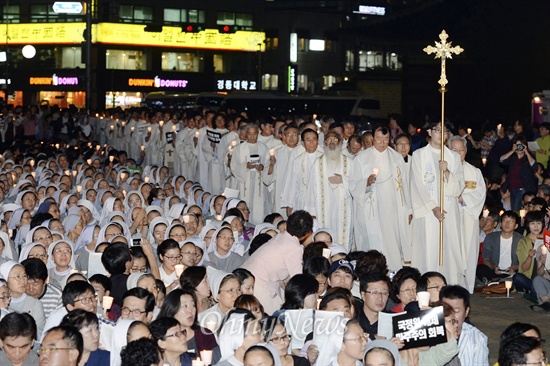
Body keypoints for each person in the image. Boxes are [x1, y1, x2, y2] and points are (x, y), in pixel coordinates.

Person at [410, 121, 466, 286]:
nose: (441, 133)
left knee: (448, 247)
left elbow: (458, 187)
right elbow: (417, 184)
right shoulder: (419, 155)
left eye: (445, 130)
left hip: (448, 209)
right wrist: (433, 207)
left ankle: (449, 284)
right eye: (437, 130)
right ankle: (427, 285)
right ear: (429, 132)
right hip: (428, 210)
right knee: (429, 248)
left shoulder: (453, 157)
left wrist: (447, 171)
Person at [350, 124, 412, 269]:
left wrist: (408, 209)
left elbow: (405, 185)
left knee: (392, 241)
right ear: (372, 138)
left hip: (392, 208)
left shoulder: (396, 157)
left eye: (385, 139)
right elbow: (353, 184)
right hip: (371, 208)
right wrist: (366, 182)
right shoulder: (362, 158)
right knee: (372, 241)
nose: (382, 143)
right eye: (379, 139)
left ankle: (393, 271)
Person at [242, 210, 313, 314]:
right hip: (259, 283)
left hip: (246, 274)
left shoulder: (282, 236)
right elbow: (298, 279)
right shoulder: (294, 247)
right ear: (307, 234)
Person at [450, 136, 487, 293]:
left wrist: (462, 198)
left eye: (461, 149)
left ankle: (466, 287)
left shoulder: (474, 171)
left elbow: (480, 194)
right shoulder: (443, 171)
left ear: (466, 150)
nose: (458, 153)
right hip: (449, 219)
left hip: (467, 218)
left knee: (467, 251)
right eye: (454, 150)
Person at [305, 131, 353, 248]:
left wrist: (343, 180)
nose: (332, 143)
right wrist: (311, 213)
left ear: (340, 143)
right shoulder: (317, 163)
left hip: (343, 207)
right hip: (323, 209)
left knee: (343, 237)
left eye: (335, 140)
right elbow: (311, 189)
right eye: (329, 140)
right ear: (325, 142)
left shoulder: (350, 162)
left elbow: (357, 185)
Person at [230, 123, 269, 225]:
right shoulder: (239, 148)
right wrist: (246, 166)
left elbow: (269, 164)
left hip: (258, 181)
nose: (252, 136)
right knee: (244, 202)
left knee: (258, 207)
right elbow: (234, 166)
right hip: (245, 181)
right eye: (249, 134)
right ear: (246, 134)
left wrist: (263, 167)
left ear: (258, 133)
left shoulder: (264, 148)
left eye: (254, 133)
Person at [440, 285, 489, 365]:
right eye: (447, 311)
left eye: (456, 311)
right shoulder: (430, 335)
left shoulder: (478, 339)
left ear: (466, 312)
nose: (451, 316)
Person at [281, 128, 323, 217]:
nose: (311, 142)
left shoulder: (324, 158)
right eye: (308, 140)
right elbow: (291, 182)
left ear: (318, 141)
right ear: (303, 143)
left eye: (314, 139)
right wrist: (289, 204)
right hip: (302, 199)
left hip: (320, 199)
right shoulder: (297, 160)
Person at [476, 210, 521, 283]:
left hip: (512, 272)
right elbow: (486, 258)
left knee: (519, 276)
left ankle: (495, 281)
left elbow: (523, 261)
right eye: (505, 220)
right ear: (500, 224)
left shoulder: (520, 239)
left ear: (516, 226)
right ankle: (497, 281)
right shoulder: (491, 237)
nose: (507, 223)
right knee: (480, 268)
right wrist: (494, 267)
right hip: (495, 271)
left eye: (511, 221)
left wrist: (514, 267)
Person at [500, 135, 537, 211]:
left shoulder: (528, 157)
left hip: (522, 188)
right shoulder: (513, 158)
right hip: (512, 188)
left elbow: (534, 166)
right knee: (514, 209)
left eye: (520, 145)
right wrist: (512, 151)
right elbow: (501, 160)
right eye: (517, 145)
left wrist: (526, 152)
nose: (519, 147)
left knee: (517, 209)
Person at [358, 271, 390, 340]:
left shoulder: (393, 320)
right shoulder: (352, 319)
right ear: (363, 295)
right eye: (374, 292)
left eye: (384, 293)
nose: (380, 298)